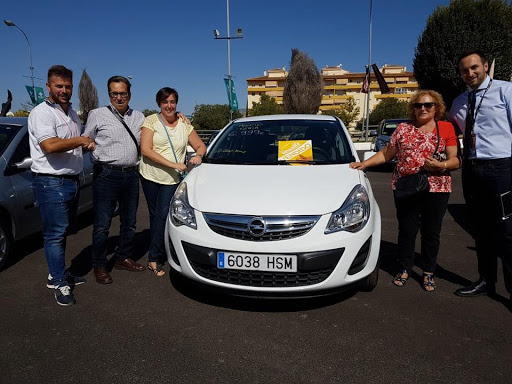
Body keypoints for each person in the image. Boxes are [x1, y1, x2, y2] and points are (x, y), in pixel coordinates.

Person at [351, 90, 459, 291]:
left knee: (431, 232)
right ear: (413, 109)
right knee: (407, 230)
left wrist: (440, 166)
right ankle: (405, 267)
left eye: (428, 105)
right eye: (418, 105)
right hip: (406, 186)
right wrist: (363, 164)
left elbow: (455, 159)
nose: (423, 109)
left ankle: (428, 271)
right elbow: (386, 153)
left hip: (437, 187)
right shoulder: (403, 129)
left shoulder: (445, 128)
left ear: (437, 107)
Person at [29, 65, 95, 306]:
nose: (64, 90)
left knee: (63, 231)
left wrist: (83, 144)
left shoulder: (71, 114)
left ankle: (56, 272)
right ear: (49, 87)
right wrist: (80, 140)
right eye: (59, 86)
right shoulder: (41, 113)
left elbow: (70, 142)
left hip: (71, 180)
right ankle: (58, 282)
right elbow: (49, 146)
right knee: (54, 235)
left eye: (68, 86)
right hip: (51, 182)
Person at [449, 50, 512, 300]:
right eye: (465, 70)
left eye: (474, 67)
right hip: (473, 169)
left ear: (485, 66)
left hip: (502, 167)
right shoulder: (458, 102)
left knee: (507, 230)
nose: (470, 73)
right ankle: (486, 280)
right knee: (482, 230)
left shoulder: (506, 91)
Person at [83, 76, 145, 284]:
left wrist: (181, 117)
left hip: (131, 174)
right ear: (109, 94)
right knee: (102, 224)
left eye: (123, 93)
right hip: (106, 175)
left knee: (129, 222)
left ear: (129, 94)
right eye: (114, 93)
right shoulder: (97, 114)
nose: (119, 97)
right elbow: (86, 138)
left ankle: (123, 258)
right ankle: (99, 265)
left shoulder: (139, 117)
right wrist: (88, 144)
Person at [139, 87, 206, 276]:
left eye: (172, 102)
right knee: (155, 216)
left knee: (162, 215)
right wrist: (172, 163)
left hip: (171, 179)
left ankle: (154, 258)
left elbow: (200, 144)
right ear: (159, 104)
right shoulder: (151, 121)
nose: (169, 105)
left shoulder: (184, 123)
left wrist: (199, 155)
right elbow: (146, 149)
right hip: (150, 176)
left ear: (176, 103)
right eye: (165, 102)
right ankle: (158, 249)